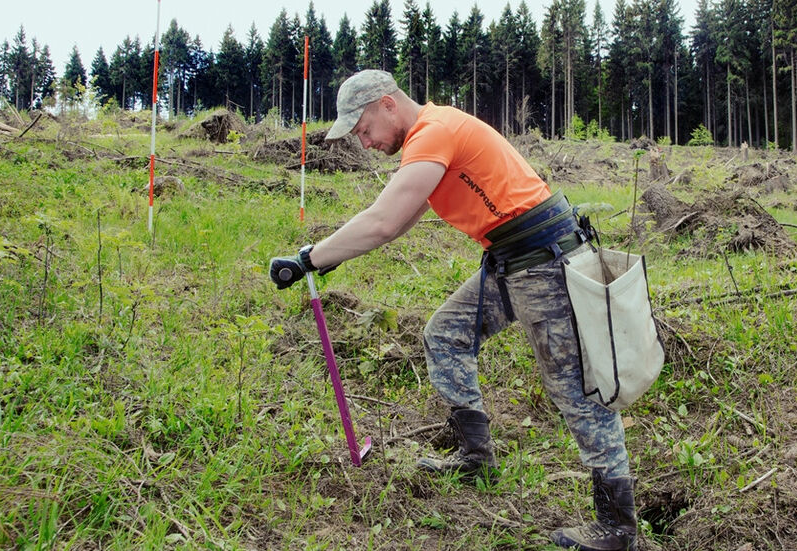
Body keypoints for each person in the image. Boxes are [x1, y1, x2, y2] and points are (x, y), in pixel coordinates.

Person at [269, 69, 637, 551]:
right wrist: (331, 254)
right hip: (510, 259)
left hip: (544, 259)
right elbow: (397, 221)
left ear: (386, 104)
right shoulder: (432, 137)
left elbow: (381, 222)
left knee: (573, 389)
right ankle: (475, 456)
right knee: (445, 335)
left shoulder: (433, 132)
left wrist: (308, 259)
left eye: (362, 130)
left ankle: (617, 527)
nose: (364, 143)